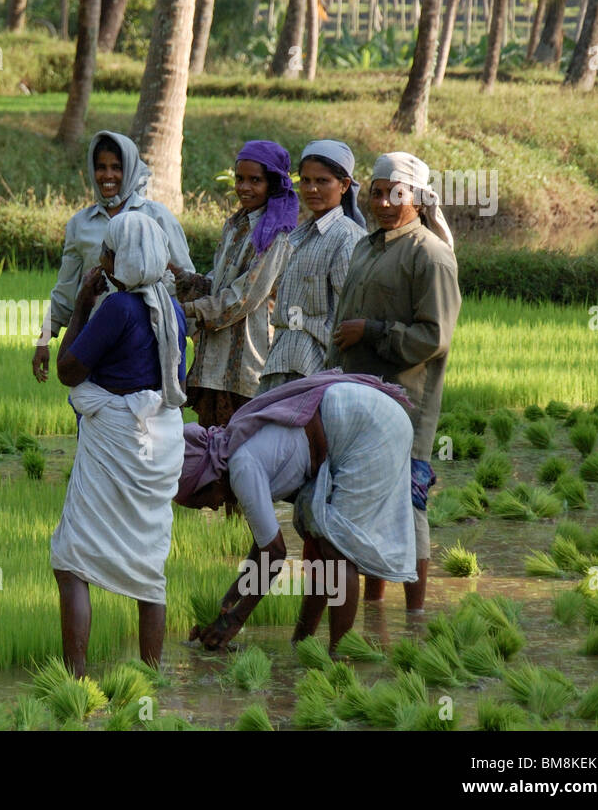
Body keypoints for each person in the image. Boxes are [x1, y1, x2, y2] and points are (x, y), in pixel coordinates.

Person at [174, 371, 417, 654]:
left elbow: (275, 555)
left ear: (211, 479)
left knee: (336, 547)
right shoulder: (233, 452)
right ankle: (302, 642)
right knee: (318, 540)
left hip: (372, 427)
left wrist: (236, 620)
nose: (214, 507)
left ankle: (339, 657)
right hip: (355, 419)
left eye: (205, 500)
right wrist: (227, 604)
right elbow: (262, 549)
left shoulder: (241, 467)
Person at [50, 212, 188, 677]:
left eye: (108, 252)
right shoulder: (173, 310)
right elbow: (174, 383)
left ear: (123, 257)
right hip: (158, 443)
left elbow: (68, 371)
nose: (103, 260)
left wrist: (82, 306)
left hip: (115, 441)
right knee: (149, 570)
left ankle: (77, 677)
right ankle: (151, 676)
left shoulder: (117, 308)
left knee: (71, 559)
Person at [325, 151, 462, 613]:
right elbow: (344, 322)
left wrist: (375, 332)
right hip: (356, 393)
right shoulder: (367, 246)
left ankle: (416, 613)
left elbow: (434, 336)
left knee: (407, 502)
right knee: (366, 497)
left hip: (405, 401)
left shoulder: (430, 255)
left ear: (418, 199)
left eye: (394, 194)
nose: (382, 202)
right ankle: (374, 607)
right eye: (376, 192)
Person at [32, 131, 193, 384]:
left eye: (116, 167)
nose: (108, 176)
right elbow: (65, 289)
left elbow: (185, 281)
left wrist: (194, 340)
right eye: (101, 168)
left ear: (129, 169)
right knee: (94, 412)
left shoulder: (157, 217)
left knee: (150, 411)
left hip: (147, 343)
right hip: (94, 342)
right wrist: (43, 339)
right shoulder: (80, 224)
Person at [178, 140, 296, 428]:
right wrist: (185, 280)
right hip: (214, 362)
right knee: (212, 454)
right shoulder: (234, 225)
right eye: (240, 179)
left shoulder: (275, 236)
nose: (244, 187)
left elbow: (242, 299)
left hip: (246, 367)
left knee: (236, 453)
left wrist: (186, 310)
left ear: (273, 184)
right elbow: (220, 284)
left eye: (255, 180)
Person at [258, 140, 367, 393]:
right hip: (283, 360)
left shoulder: (347, 238)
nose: (312, 189)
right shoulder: (300, 235)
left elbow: (348, 311)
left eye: (322, 181)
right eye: (305, 181)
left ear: (344, 185)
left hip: (319, 370)